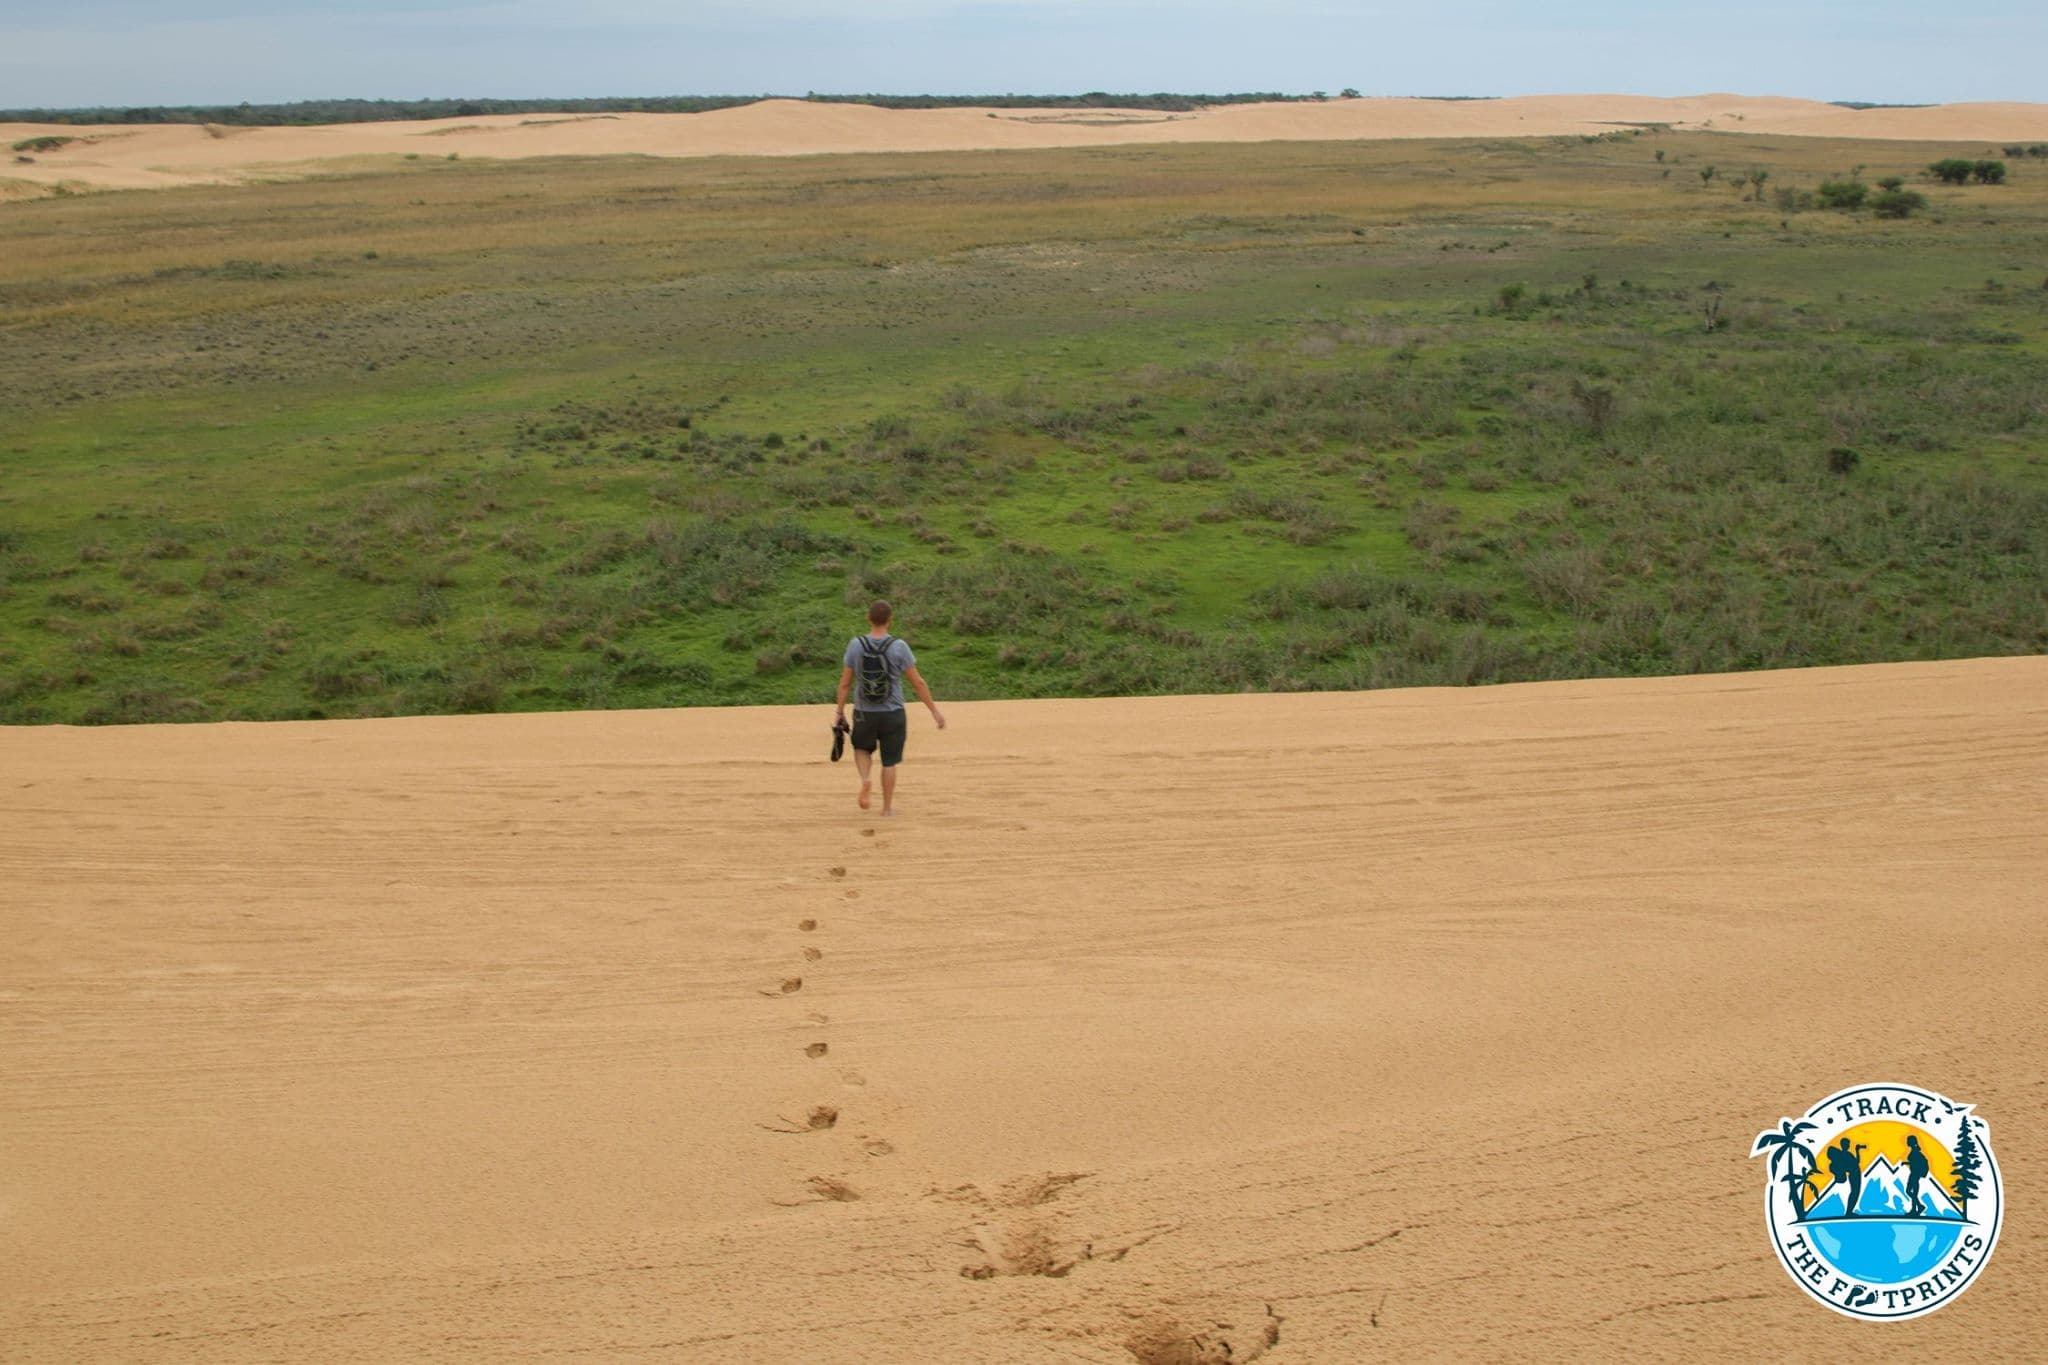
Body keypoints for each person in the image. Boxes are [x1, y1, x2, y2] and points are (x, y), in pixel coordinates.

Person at [834, 599, 944, 816]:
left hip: (864, 712)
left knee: (861, 748)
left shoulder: (856, 645)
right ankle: (886, 809)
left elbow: (845, 683)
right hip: (893, 712)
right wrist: (934, 710)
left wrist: (839, 712)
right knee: (889, 761)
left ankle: (866, 780)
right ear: (890, 620)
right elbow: (918, 682)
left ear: (869, 618)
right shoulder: (899, 646)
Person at [1903, 1135, 1930, 1216]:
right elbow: (1915, 1162)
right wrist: (1906, 1163)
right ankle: (1918, 1207)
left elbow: (1916, 1163)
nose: (1906, 1142)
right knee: (1912, 1192)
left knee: (1910, 1191)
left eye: (1908, 1140)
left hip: (1915, 1174)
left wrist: (1908, 1163)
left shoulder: (1915, 1151)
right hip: (1914, 1174)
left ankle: (1915, 1209)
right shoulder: (1915, 1150)